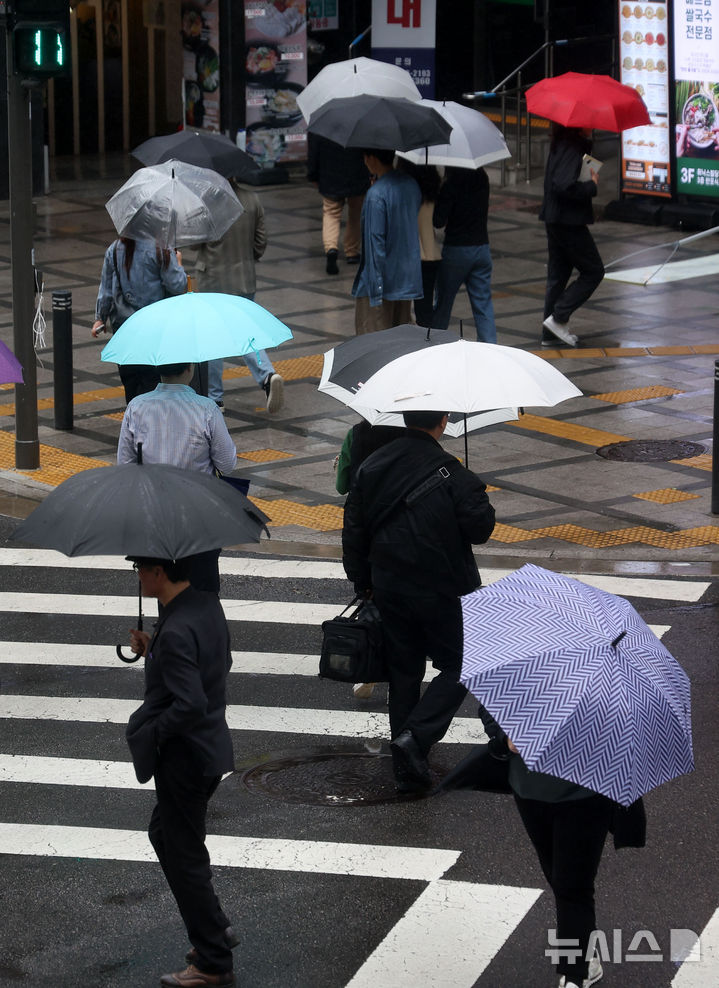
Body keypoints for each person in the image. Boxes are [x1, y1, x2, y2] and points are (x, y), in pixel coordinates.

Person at [342, 409, 495, 791]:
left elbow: (354, 531)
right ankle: (415, 740)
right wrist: (473, 487)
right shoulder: (451, 470)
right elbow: (481, 530)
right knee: (462, 663)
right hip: (441, 586)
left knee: (404, 671)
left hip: (389, 583)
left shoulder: (372, 465)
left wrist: (364, 583)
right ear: (443, 421)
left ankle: (406, 763)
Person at [125, 555, 236, 988]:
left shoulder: (174, 630)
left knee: (185, 856)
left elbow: (188, 704)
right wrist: (153, 650)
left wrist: (155, 734)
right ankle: (216, 927)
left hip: (185, 757)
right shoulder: (204, 605)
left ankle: (212, 960)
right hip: (210, 748)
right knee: (164, 836)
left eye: (140, 569)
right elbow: (212, 663)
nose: (138, 577)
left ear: (158, 573)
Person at [507, 736, 645, 988]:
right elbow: (490, 709)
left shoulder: (609, 698)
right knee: (558, 877)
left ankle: (577, 973)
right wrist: (503, 736)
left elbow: (629, 737)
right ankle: (585, 951)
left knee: (572, 885)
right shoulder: (523, 694)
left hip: (587, 792)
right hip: (529, 788)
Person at [117, 362, 237, 594]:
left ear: (158, 368)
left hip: (155, 517)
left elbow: (125, 467)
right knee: (203, 591)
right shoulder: (207, 409)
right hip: (200, 519)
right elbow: (228, 465)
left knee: (166, 592)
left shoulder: (137, 407)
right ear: (190, 368)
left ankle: (170, 628)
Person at [193, 181, 284, 414]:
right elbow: (260, 242)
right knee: (245, 331)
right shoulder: (251, 199)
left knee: (213, 339)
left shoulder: (206, 203)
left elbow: (193, 241)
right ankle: (267, 375)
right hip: (244, 278)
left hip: (212, 280)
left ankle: (215, 398)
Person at [335, 418, 407, 702]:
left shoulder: (357, 433)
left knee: (375, 608)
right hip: (405, 533)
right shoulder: (416, 436)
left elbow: (342, 485)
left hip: (368, 532)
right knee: (406, 617)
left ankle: (370, 671)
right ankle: (400, 684)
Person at [92, 237, 187, 403]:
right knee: (152, 382)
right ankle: (150, 423)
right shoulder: (160, 249)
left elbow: (106, 288)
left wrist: (100, 318)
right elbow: (177, 286)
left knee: (131, 384)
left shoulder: (115, 248)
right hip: (155, 328)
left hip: (124, 328)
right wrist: (178, 262)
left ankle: (134, 422)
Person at [540, 125, 605, 348]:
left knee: (558, 275)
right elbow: (562, 185)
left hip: (555, 218)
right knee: (594, 271)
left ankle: (549, 333)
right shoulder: (571, 147)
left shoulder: (561, 144)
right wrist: (591, 186)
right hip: (568, 221)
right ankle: (558, 317)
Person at [351, 149, 423, 335]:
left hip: (381, 285)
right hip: (406, 282)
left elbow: (376, 244)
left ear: (372, 158)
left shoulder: (376, 195)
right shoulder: (411, 185)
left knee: (373, 348)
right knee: (401, 347)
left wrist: (376, 290)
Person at [432, 166, 497, 342]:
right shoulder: (482, 176)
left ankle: (435, 345)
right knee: (483, 306)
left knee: (443, 303)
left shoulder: (451, 183)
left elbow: (438, 221)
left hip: (457, 250)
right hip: (482, 247)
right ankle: (490, 349)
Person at [307, 134, 370, 274]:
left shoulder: (321, 124)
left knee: (331, 213)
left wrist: (312, 175)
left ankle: (331, 249)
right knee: (356, 213)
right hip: (357, 174)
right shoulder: (360, 119)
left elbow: (313, 153)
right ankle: (352, 252)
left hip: (330, 176)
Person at [396, 160, 442, 328]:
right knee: (425, 310)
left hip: (411, 254)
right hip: (432, 254)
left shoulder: (405, 189)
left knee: (403, 310)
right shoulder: (433, 185)